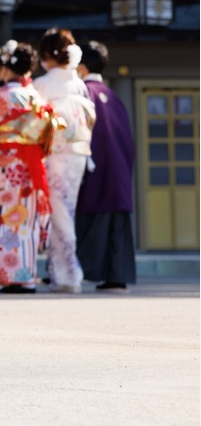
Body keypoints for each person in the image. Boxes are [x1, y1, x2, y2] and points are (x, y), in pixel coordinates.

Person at [0, 40, 60, 294]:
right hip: (30, 165)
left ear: (6, 68)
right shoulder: (35, 96)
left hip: (3, 165)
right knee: (26, 219)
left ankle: (6, 277)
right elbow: (48, 129)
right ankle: (27, 276)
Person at [34, 27, 96, 293]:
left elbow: (34, 122)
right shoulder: (79, 84)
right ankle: (62, 272)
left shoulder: (44, 84)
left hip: (54, 154)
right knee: (66, 210)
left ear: (47, 55)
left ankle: (69, 273)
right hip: (78, 153)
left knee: (59, 213)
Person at [75, 41, 137, 291]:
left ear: (80, 66)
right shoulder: (112, 95)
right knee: (116, 224)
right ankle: (116, 275)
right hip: (118, 170)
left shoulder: (82, 92)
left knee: (89, 221)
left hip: (94, 169)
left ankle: (77, 269)